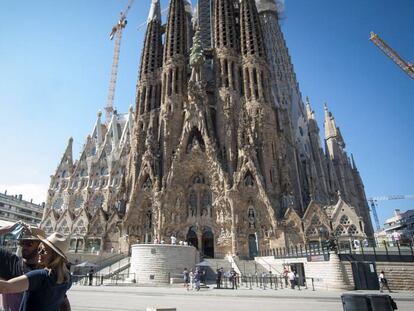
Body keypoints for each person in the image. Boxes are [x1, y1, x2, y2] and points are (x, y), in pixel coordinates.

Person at [0, 222, 70, 311]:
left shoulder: (43, 274)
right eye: (22, 242)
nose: (24, 246)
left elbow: (64, 302)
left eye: (29, 243)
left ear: (40, 245)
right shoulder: (9, 261)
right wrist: (7, 229)